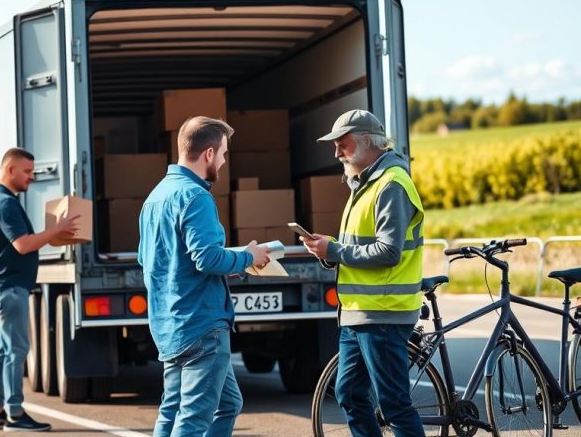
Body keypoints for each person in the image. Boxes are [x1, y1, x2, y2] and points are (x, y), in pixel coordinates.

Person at [138, 116, 271, 437]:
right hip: (201, 325)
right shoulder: (196, 197)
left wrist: (237, 263)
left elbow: (152, 259)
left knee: (210, 406)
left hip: (170, 324)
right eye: (224, 154)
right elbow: (207, 258)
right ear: (209, 153)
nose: (224, 162)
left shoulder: (155, 197)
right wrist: (249, 256)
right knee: (194, 418)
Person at [300, 109, 425, 437]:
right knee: (350, 395)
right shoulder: (363, 184)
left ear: (369, 142)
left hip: (382, 313)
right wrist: (328, 251)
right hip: (358, 314)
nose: (337, 151)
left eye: (343, 143)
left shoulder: (391, 184)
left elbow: (388, 252)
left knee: (394, 403)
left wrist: (335, 251)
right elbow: (356, 246)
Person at [0, 147, 79, 432]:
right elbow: (23, 245)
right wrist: (57, 229)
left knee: (3, 350)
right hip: (9, 289)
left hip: (4, 287)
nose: (31, 178)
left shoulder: (2, 200)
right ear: (10, 170)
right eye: (26, 172)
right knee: (17, 350)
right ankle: (14, 413)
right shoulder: (4, 204)